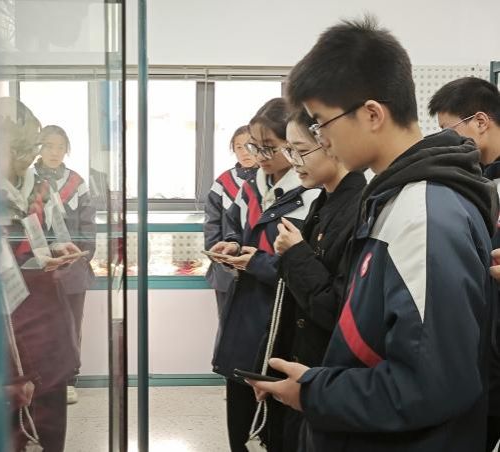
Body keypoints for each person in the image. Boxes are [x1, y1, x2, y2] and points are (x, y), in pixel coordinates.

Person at [249, 17, 499, 452]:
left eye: (322, 123)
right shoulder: (395, 198)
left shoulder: (424, 214)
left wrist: (315, 393)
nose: (322, 140)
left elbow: (430, 384)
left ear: (371, 114)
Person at [209, 98, 320, 451]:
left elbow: (307, 269)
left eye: (269, 147)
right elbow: (234, 228)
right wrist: (231, 246)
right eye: (254, 146)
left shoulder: (312, 193)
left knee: (276, 422)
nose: (259, 155)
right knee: (239, 414)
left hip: (283, 318)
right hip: (245, 311)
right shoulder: (250, 186)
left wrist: (255, 262)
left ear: (293, 143)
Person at [256, 108, 366, 450]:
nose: (294, 162)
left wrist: (296, 253)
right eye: (289, 151)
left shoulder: (358, 208)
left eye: (301, 151)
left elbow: (335, 308)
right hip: (301, 363)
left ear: (331, 142)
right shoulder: (324, 201)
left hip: (327, 373)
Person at [0, 98, 81, 452]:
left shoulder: (43, 186)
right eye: (18, 147)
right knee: (7, 417)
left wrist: (62, 250)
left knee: (50, 410)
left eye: (32, 145)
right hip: (0, 315)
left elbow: (58, 235)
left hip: (45, 307)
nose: (28, 155)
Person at [428, 77, 500, 452]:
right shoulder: (477, 179)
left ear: (480, 121)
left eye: (449, 129)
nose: (447, 140)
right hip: (483, 346)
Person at [33, 125, 97, 405]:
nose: (54, 152)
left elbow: (88, 225)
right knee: (40, 324)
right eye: (48, 146)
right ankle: (40, 379)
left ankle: (69, 379)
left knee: (71, 326)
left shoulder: (76, 182)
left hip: (72, 269)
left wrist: (81, 258)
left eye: (60, 147)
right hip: (37, 267)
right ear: (38, 148)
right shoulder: (29, 180)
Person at [204, 125, 258, 318]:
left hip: (258, 266)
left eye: (249, 146)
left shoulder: (269, 179)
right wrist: (218, 256)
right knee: (227, 322)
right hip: (227, 271)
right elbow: (212, 223)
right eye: (238, 147)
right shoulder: (223, 182)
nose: (244, 152)